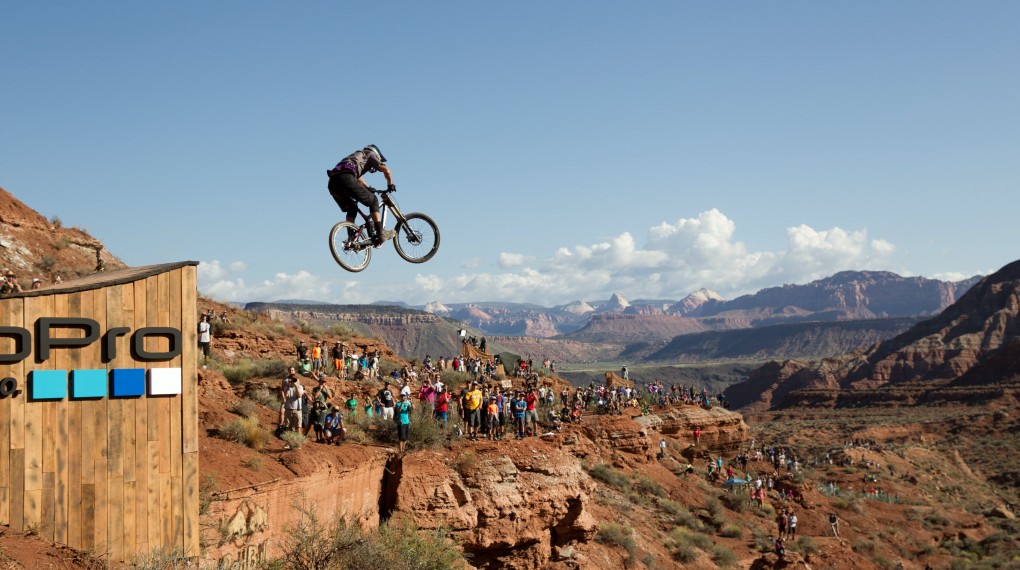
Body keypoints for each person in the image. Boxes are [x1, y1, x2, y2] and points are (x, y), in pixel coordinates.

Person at [327, 144, 396, 247]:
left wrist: (368, 188)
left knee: (352, 208)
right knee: (373, 200)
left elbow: (357, 177)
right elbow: (386, 170)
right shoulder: (370, 155)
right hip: (346, 179)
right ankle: (381, 232)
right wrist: (390, 184)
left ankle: (351, 239)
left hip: (333, 183)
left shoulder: (354, 157)